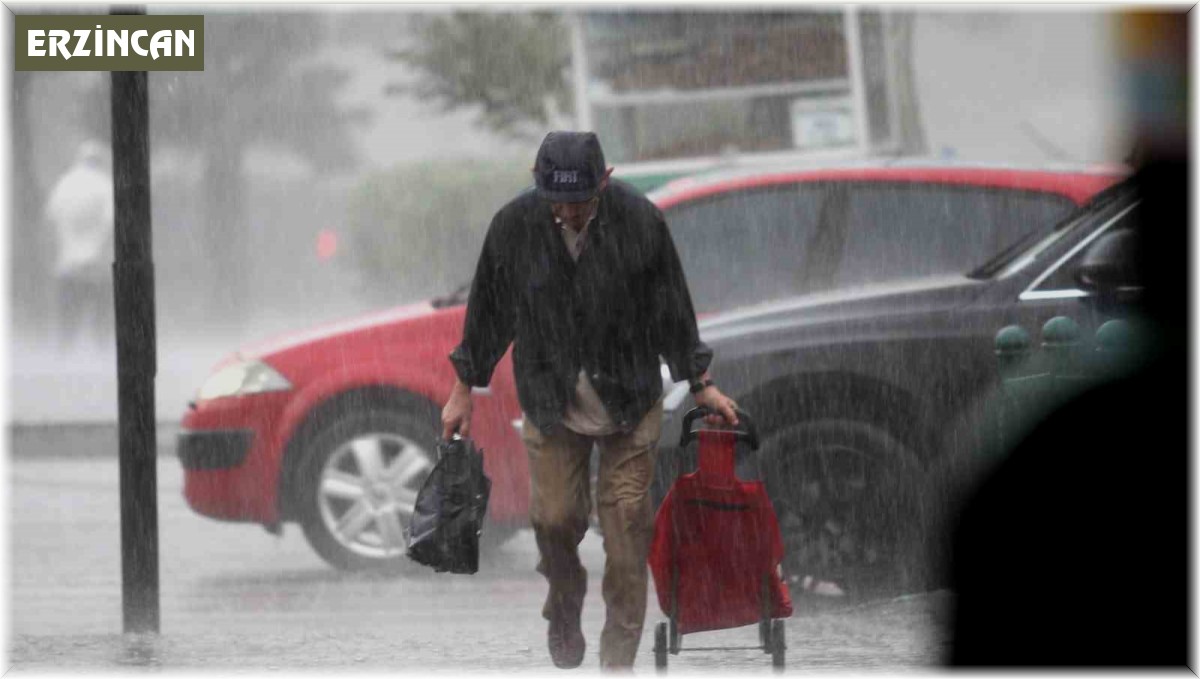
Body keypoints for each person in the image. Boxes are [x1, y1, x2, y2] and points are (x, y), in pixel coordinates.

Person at [441, 131, 738, 670]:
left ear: (604, 182)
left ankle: (616, 662)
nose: (570, 214)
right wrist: (464, 387)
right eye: (559, 203)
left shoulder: (640, 221)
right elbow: (487, 312)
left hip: (628, 398)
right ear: (541, 189)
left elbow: (673, 307)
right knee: (554, 520)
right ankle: (564, 606)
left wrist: (701, 383)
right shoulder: (514, 227)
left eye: (581, 203)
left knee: (626, 527)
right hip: (551, 400)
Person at [45, 140, 115, 351]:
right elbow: (110, 220)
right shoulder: (104, 184)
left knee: (68, 306)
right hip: (96, 258)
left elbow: (50, 216)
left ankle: (65, 346)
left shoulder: (65, 183)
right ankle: (102, 345)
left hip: (68, 259)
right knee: (101, 306)